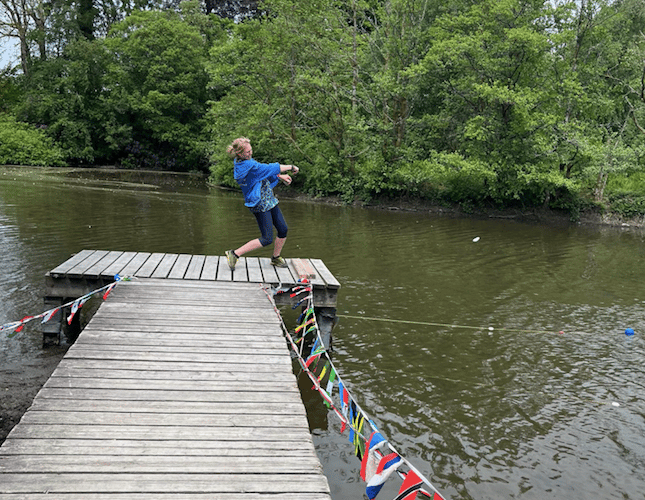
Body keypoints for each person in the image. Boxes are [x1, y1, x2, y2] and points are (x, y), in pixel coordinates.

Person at [224, 137, 299, 270]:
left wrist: (279, 176)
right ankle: (234, 254)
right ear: (239, 154)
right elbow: (267, 168)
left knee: (283, 229)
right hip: (259, 204)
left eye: (251, 150)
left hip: (269, 200)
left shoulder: (246, 161)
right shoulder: (246, 166)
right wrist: (291, 167)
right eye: (247, 152)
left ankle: (275, 258)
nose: (250, 153)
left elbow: (262, 172)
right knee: (267, 238)